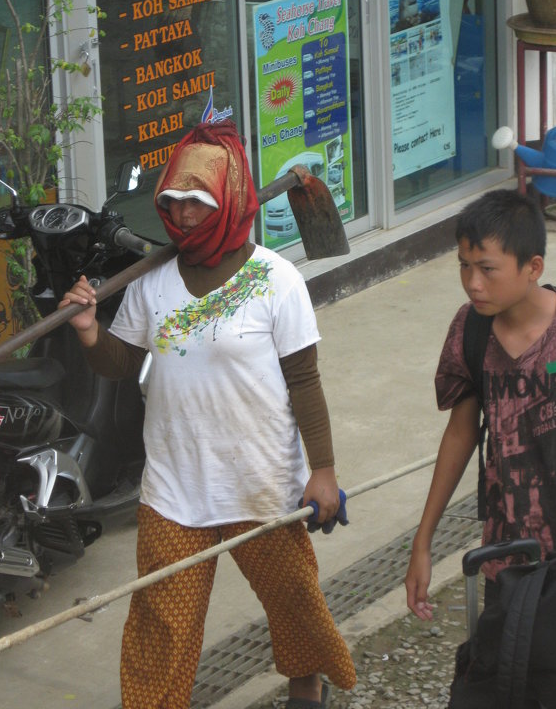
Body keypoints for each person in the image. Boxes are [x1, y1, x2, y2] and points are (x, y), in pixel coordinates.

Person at [59, 120, 356, 709]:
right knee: (161, 619)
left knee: (292, 597)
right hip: (175, 484)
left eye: (198, 203)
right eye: (173, 201)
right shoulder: (151, 284)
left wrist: (321, 470)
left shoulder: (276, 281)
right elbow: (122, 364)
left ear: (230, 202)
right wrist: (90, 332)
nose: (183, 215)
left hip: (260, 480)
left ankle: (307, 681)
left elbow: (304, 382)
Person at [405, 188, 556, 619]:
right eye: (465, 267)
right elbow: (461, 432)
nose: (474, 283)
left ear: (533, 268)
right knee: (508, 676)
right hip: (506, 555)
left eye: (488, 269)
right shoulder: (471, 331)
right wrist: (423, 541)